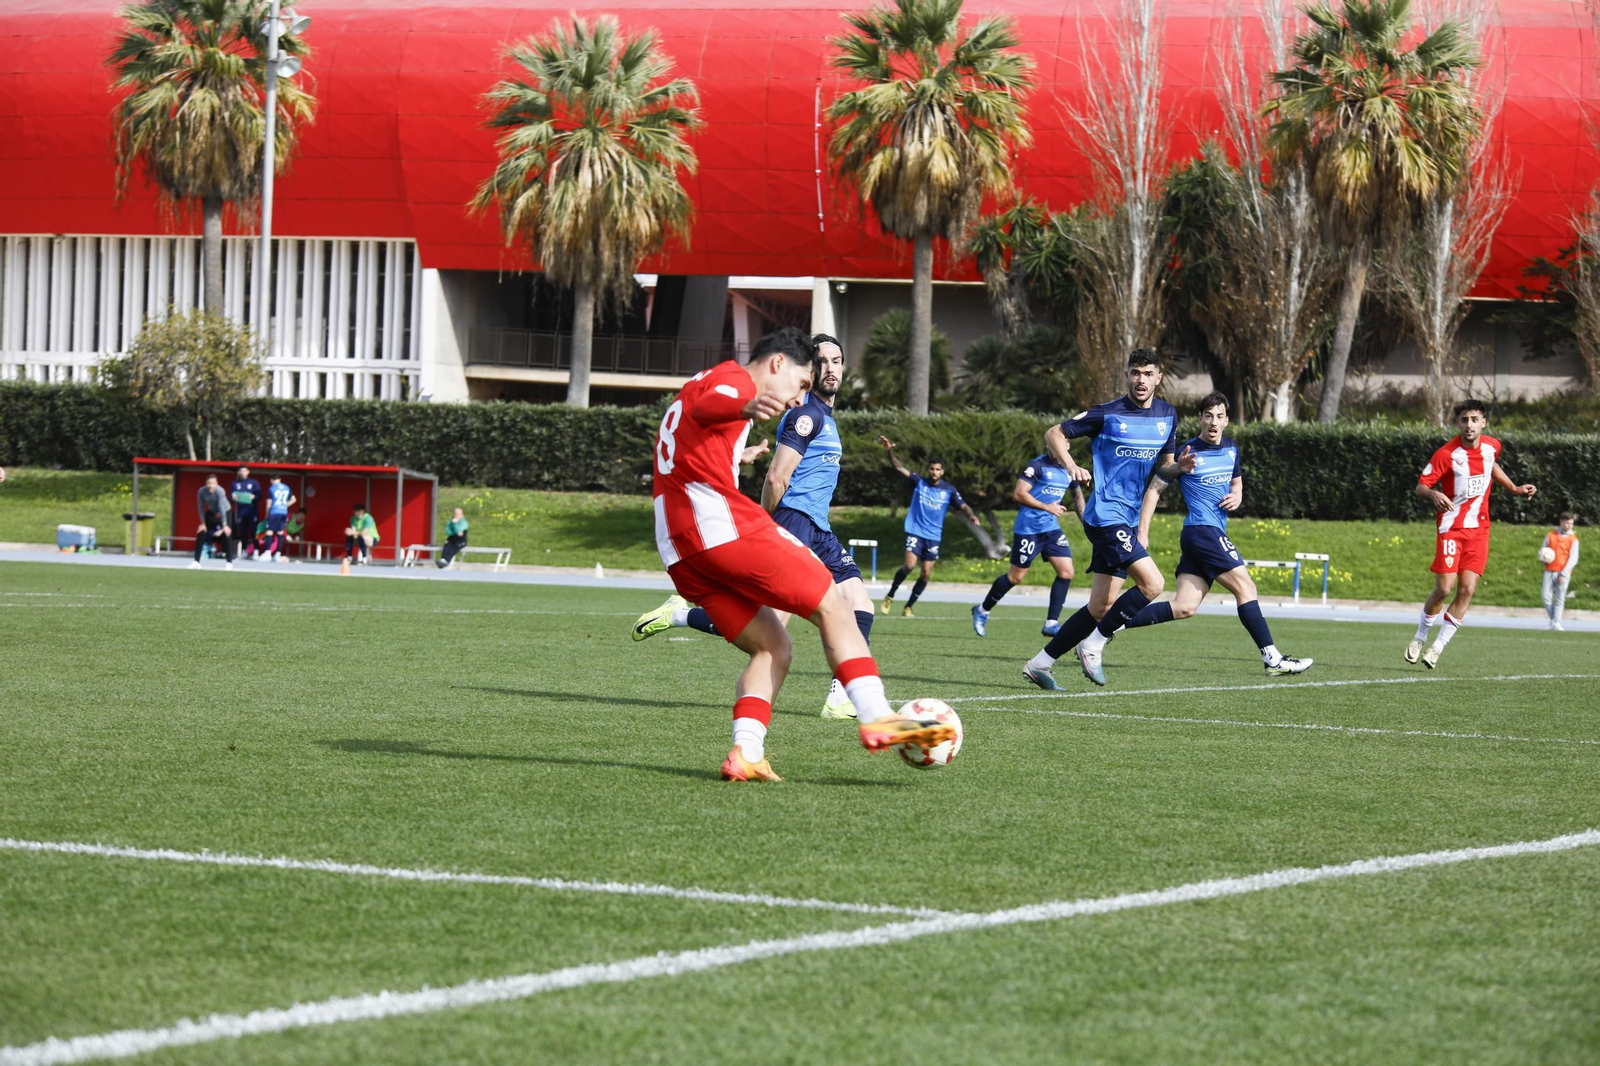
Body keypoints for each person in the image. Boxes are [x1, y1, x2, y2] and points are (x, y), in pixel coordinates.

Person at [648, 327, 954, 781]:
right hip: (718, 524)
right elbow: (713, 406)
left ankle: (746, 752)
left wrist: (738, 452)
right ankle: (876, 714)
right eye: (801, 384)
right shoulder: (735, 383)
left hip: (678, 546)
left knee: (774, 646)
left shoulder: (702, 379)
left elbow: (694, 430)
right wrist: (743, 405)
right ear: (777, 364)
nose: (798, 398)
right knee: (836, 603)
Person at [633, 331, 874, 720]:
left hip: (820, 527)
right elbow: (776, 477)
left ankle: (840, 698)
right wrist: (771, 526)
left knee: (858, 603)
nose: (829, 370)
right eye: (820, 364)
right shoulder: (803, 413)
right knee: (775, 627)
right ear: (790, 365)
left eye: (837, 361)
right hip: (794, 520)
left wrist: (734, 456)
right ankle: (680, 614)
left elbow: (699, 431)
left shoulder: (823, 416)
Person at [1020, 348, 1193, 689]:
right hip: (1104, 516)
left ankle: (1040, 664)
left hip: (1127, 519)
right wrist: (1071, 466)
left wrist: (1180, 468)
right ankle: (1094, 644)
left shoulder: (1167, 415)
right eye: (1134, 373)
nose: (1140, 380)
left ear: (1159, 377)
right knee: (1153, 585)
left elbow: (1164, 467)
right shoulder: (1107, 413)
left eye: (1147, 374)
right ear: (1127, 376)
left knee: (1100, 606)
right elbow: (1053, 433)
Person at [1120, 392, 1312, 675]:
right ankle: (1273, 658)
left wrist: (1237, 496)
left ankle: (1106, 625)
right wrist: (1142, 532)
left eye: (1219, 416)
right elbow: (1154, 489)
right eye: (1208, 415)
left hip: (1204, 535)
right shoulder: (1187, 453)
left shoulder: (1232, 448)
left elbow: (1237, 483)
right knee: (1246, 587)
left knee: (1184, 606)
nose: (1213, 422)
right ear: (1200, 419)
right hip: (1202, 532)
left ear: (1226, 421)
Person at [1408, 399, 1537, 668]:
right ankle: (1420, 636)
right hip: (1451, 528)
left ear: (1483, 422)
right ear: (1458, 423)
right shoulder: (1446, 454)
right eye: (1464, 420)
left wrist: (1513, 488)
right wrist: (1433, 494)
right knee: (1444, 589)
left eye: (1474, 419)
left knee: (1466, 590)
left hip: (1480, 530)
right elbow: (1421, 486)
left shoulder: (1493, 446)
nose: (1470, 425)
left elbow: (1491, 466)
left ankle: (1437, 647)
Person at [971, 453, 1085, 638]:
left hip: (1051, 529)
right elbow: (1019, 494)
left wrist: (1088, 525)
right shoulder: (1038, 465)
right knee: (1015, 577)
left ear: (1068, 446)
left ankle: (1051, 623)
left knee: (1066, 572)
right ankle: (982, 610)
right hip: (1028, 529)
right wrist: (1047, 507)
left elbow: (1077, 496)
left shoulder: (1070, 469)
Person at [877, 441, 981, 617]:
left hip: (933, 536)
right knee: (909, 566)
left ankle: (908, 606)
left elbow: (963, 506)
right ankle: (891, 595)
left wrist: (972, 515)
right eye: (932, 469)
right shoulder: (919, 482)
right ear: (928, 470)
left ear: (943, 471)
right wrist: (889, 453)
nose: (934, 472)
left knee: (925, 573)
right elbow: (899, 467)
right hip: (915, 530)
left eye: (938, 469)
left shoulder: (949, 490)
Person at [1540, 511, 1580, 631]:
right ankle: (1553, 620)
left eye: (1571, 524)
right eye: (1567, 523)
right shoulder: (1550, 535)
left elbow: (1573, 559)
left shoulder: (1574, 540)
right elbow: (1543, 550)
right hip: (1549, 571)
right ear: (1561, 522)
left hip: (1563, 573)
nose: (1569, 526)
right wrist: (1543, 559)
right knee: (1545, 597)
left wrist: (1564, 573)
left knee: (1559, 598)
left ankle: (1556, 622)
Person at [187, 474, 236, 570]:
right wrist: (203, 523)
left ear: (216, 484)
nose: (211, 485)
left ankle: (229, 562)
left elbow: (222, 508)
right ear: (206, 484)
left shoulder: (220, 491)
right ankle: (196, 561)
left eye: (213, 483)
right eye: (209, 483)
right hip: (212, 512)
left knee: (227, 533)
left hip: (225, 512)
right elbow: (200, 507)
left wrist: (224, 525)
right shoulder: (201, 492)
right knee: (201, 532)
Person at [229, 465, 263, 558]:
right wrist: (233, 498)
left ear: (248, 472)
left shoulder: (253, 482)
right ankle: (244, 550)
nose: (242, 473)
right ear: (238, 472)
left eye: (244, 471)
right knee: (242, 532)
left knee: (254, 531)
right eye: (241, 471)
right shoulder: (235, 484)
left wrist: (254, 497)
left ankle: (256, 550)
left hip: (252, 511)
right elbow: (231, 497)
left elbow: (259, 496)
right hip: (241, 512)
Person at [261, 474, 296, 562]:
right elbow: (294, 499)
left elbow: (269, 503)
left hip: (274, 511)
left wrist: (267, 515)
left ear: (271, 480)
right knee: (280, 532)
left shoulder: (272, 488)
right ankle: (278, 554)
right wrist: (284, 505)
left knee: (269, 532)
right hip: (283, 512)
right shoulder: (286, 487)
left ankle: (267, 553)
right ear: (280, 479)